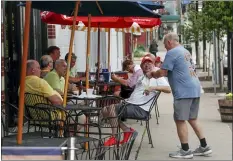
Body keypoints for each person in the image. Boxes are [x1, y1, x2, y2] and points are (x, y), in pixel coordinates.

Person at [146, 33, 212, 159]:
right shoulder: (184, 51)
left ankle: (185, 150)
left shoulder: (172, 52)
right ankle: (204, 146)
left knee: (180, 119)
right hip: (195, 87)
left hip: (183, 91)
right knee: (192, 118)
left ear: (170, 42)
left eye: (165, 45)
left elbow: (163, 72)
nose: (165, 47)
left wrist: (153, 74)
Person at [103, 55, 171, 146]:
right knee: (104, 110)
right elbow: (130, 85)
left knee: (111, 108)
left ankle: (114, 137)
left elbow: (168, 89)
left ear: (153, 65)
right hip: (130, 104)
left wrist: (153, 87)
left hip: (141, 109)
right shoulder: (142, 76)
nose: (147, 65)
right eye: (144, 63)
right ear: (141, 66)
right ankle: (127, 130)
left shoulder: (157, 77)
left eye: (149, 63)